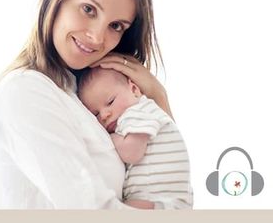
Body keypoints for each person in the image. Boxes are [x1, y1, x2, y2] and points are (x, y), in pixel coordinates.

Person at [0, 0, 175, 209]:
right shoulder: (25, 91)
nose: (98, 37)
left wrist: (159, 99)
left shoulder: (90, 99)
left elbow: (170, 187)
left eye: (116, 26)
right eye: (89, 9)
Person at [78, 67, 193, 209]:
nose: (104, 115)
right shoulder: (136, 115)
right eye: (96, 114)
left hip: (162, 201)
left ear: (134, 90)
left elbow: (132, 153)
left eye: (110, 102)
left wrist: (110, 138)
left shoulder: (138, 112)